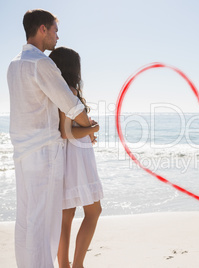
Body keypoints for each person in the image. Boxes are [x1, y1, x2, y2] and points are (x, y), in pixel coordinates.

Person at [7, 9, 95, 267]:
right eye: (55, 30)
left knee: (26, 220)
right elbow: (71, 106)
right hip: (44, 152)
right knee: (44, 224)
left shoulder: (14, 64)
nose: (57, 37)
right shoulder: (41, 63)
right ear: (42, 29)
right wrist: (91, 127)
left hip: (22, 153)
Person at [49, 47, 104, 268]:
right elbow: (67, 131)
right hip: (77, 159)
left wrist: (87, 130)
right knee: (94, 211)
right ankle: (77, 265)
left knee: (67, 215)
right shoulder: (68, 91)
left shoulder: (59, 90)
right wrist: (94, 129)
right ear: (73, 68)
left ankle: (64, 265)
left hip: (68, 156)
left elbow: (68, 128)